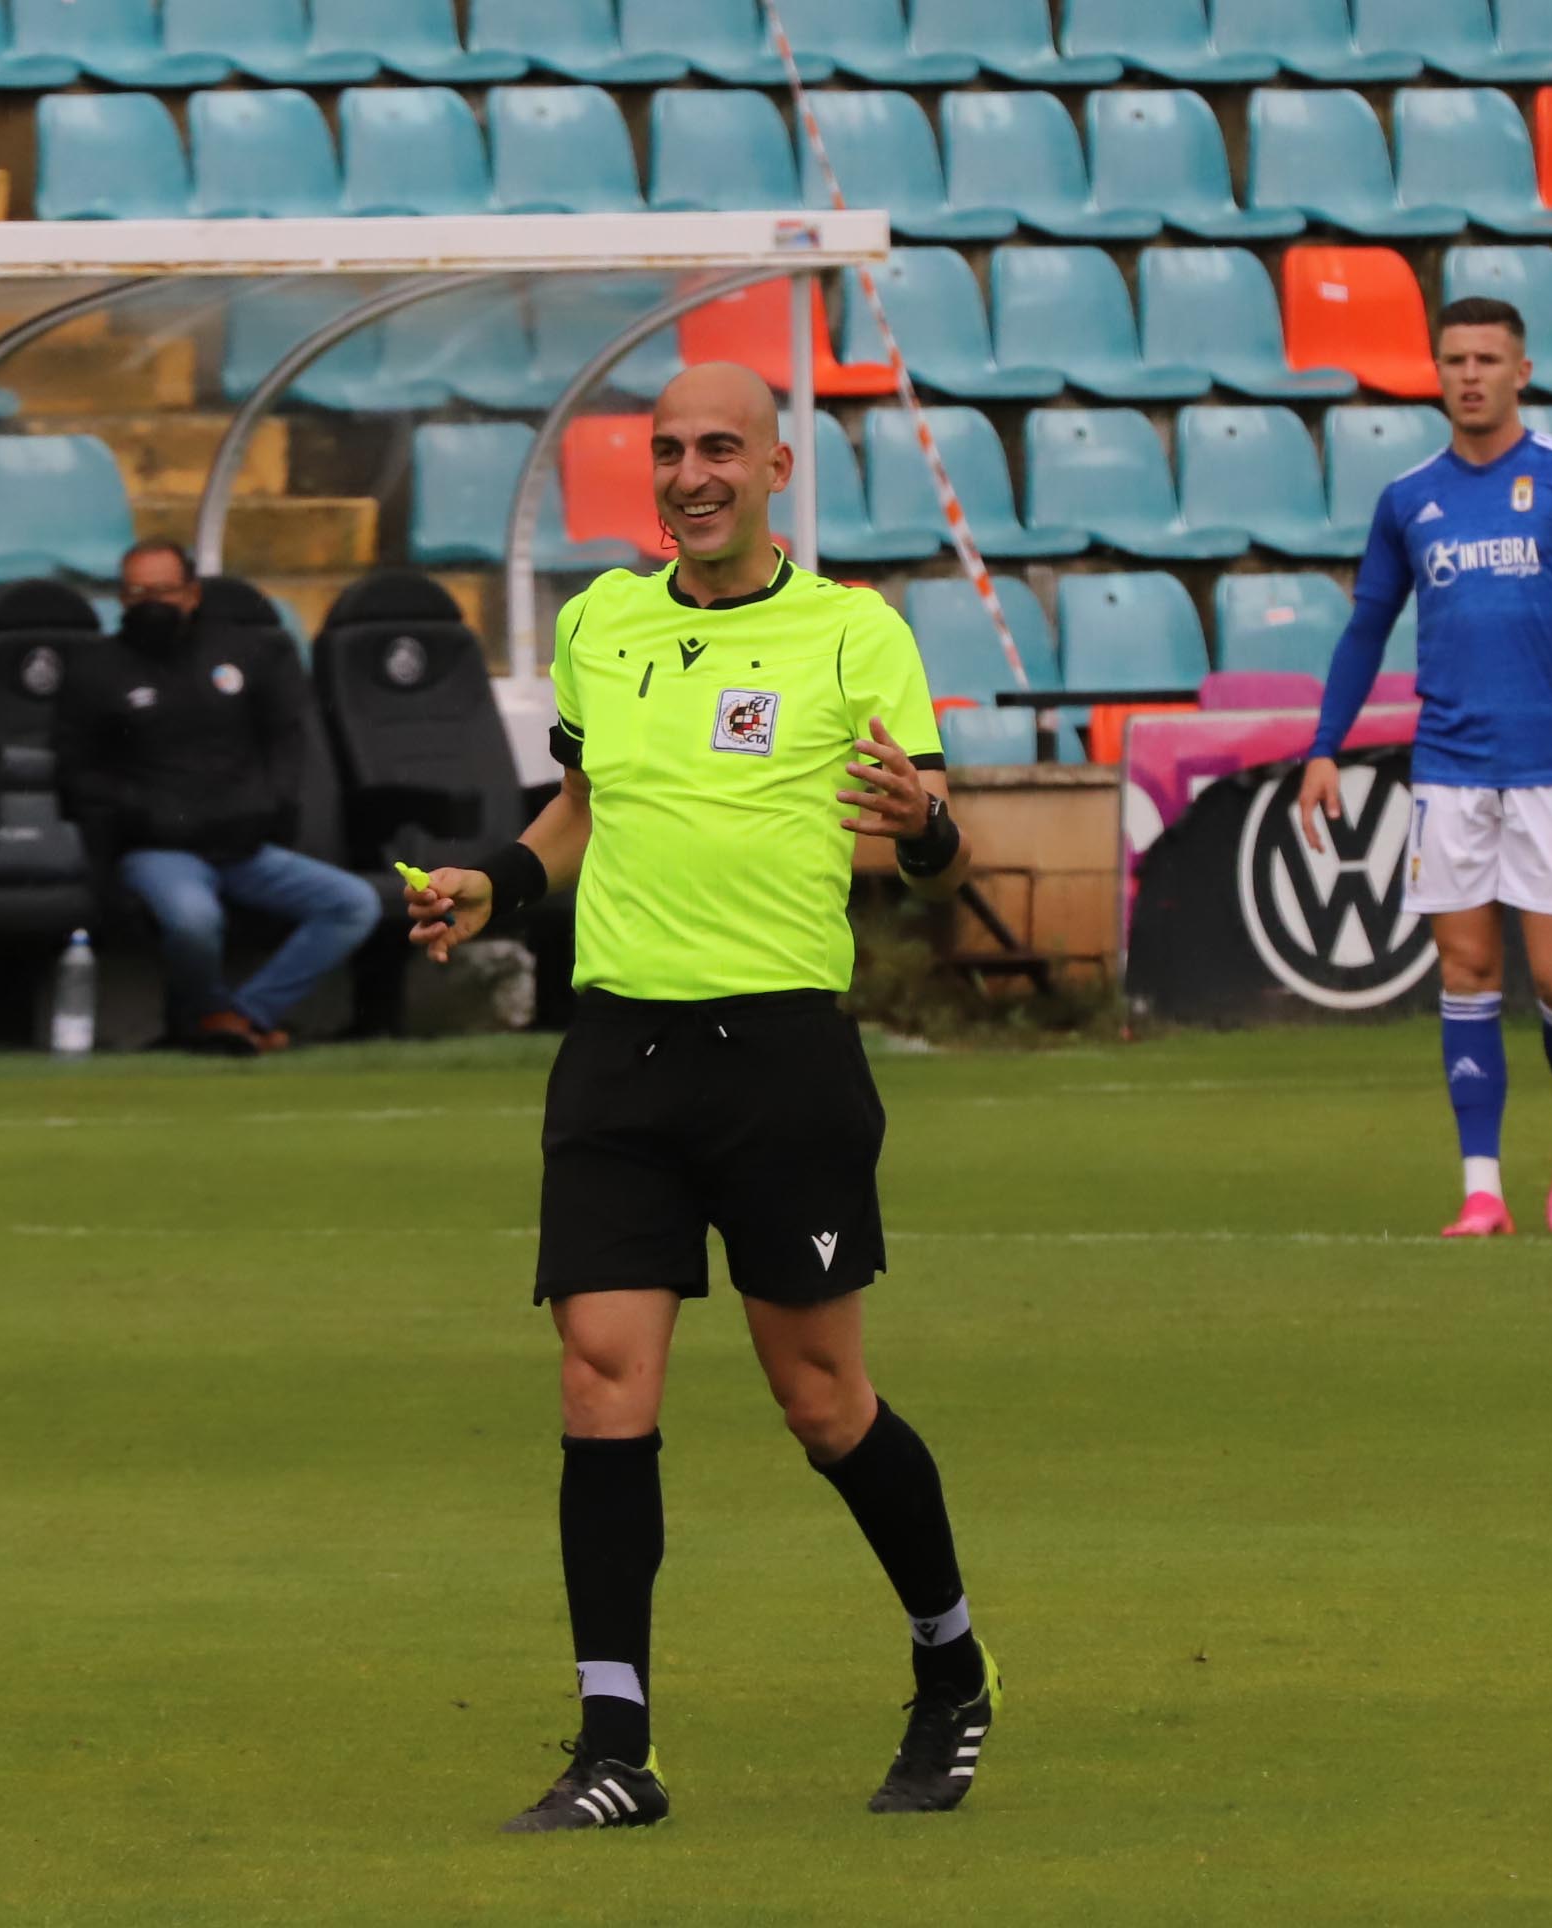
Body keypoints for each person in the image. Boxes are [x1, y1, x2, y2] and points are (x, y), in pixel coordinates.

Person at [405, 364, 994, 1832]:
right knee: (600, 1378)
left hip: (781, 1060)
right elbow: (585, 809)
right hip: (618, 1055)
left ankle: (951, 1669)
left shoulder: (854, 633)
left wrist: (928, 820)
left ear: (775, 464)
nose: (688, 473)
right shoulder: (601, 623)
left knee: (821, 1400)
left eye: (717, 447)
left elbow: (930, 847)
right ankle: (615, 1746)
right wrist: (500, 882)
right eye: (666, 451)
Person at [1297, 296, 1552, 1239]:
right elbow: (1367, 627)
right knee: (1464, 968)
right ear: (1438, 372)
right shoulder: (1410, 497)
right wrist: (1324, 747)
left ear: (1521, 372)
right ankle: (1482, 1188)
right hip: (1450, 768)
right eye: (1454, 359)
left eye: (1488, 359)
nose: (1470, 375)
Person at [55, 539, 380, 1054]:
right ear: (120, 598)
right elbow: (75, 772)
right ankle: (211, 1015)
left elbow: (284, 743)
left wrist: (266, 807)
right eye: (138, 592)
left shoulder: (242, 655)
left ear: (191, 594)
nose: (152, 602)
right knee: (194, 920)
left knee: (353, 904)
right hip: (157, 850)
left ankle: (244, 1015)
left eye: (163, 590)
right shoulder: (96, 671)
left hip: (242, 847)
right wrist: (143, 811)